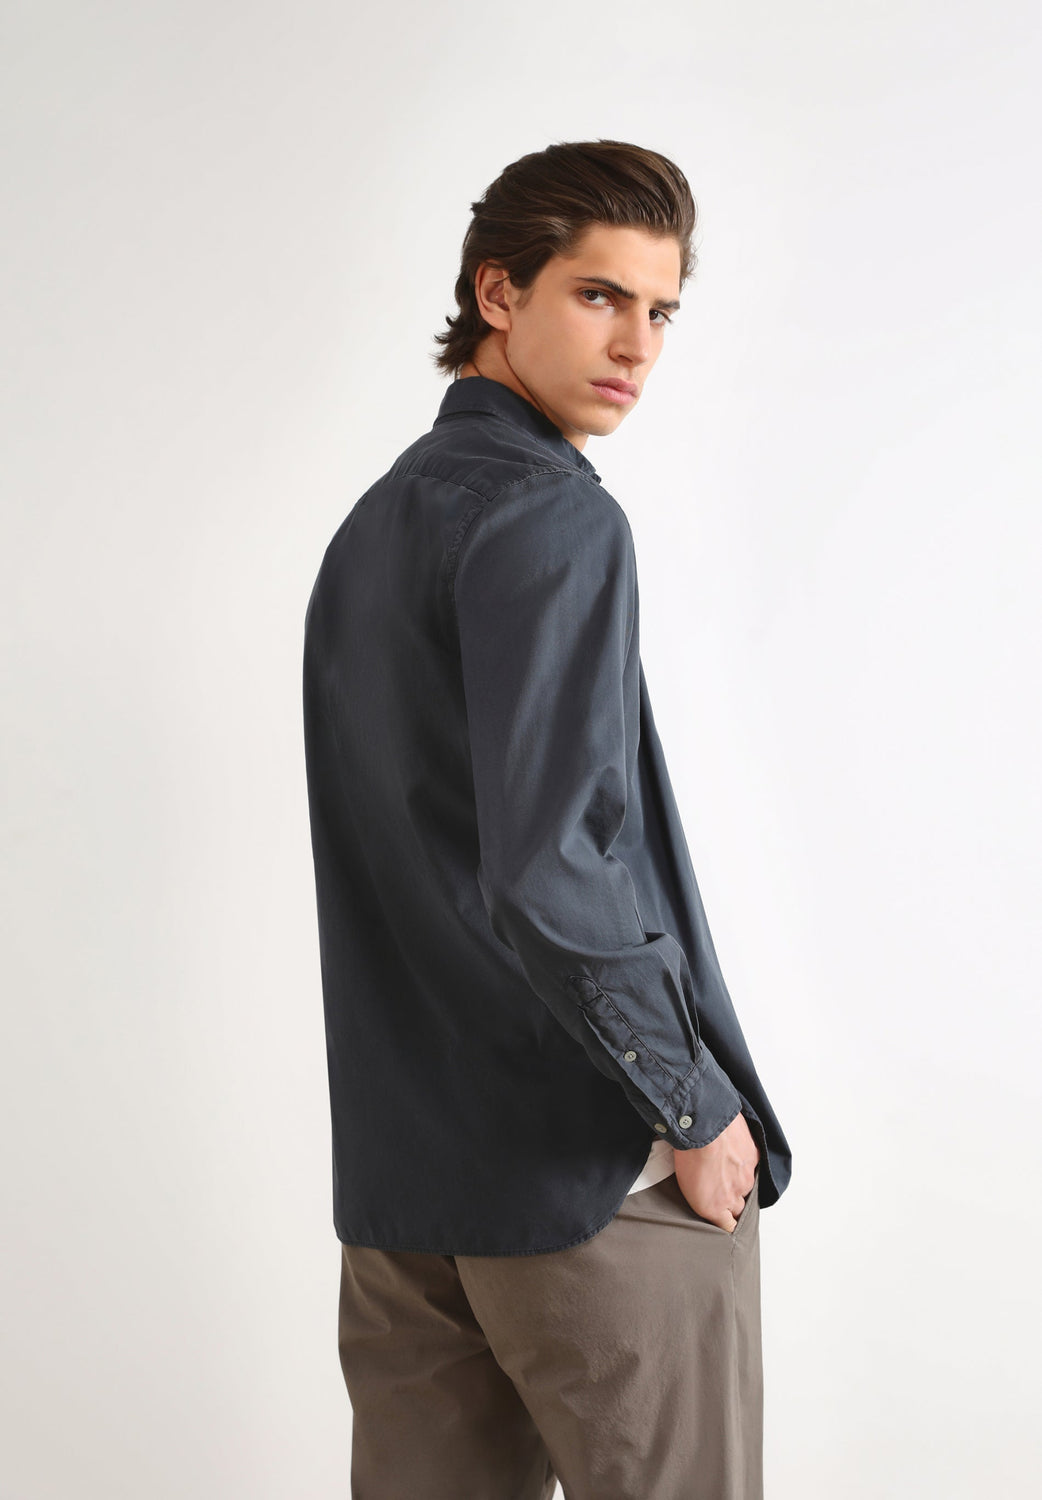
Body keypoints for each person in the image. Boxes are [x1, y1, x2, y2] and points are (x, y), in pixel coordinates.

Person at [302, 138, 793, 1500]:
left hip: (409, 1197)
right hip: (592, 1185)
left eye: (661, 311)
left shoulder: (372, 527)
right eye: (599, 295)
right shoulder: (551, 519)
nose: (637, 345)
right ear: (498, 290)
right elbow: (551, 869)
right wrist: (691, 1103)